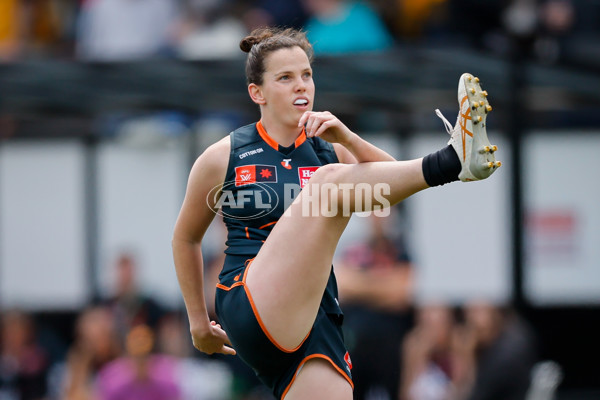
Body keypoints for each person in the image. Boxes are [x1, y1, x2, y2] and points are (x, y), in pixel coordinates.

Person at [172, 26, 500, 400]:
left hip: (316, 316)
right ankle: (453, 161)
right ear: (256, 93)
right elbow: (186, 237)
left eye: (307, 75)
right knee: (327, 185)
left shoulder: (329, 148)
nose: (301, 86)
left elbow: (387, 192)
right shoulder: (222, 156)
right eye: (285, 78)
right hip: (248, 299)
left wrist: (347, 138)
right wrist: (198, 323)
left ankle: (451, 161)